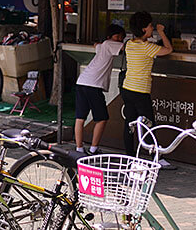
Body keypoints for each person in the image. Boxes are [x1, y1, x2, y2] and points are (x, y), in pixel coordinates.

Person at [121, 11, 173, 168]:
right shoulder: (147, 47)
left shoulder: (129, 44)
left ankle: (130, 158)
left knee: (129, 124)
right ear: (144, 29)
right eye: (150, 26)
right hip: (140, 91)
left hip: (127, 88)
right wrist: (162, 32)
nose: (152, 29)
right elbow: (168, 49)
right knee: (149, 125)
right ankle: (156, 158)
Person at [74, 24, 126, 154]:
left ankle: (79, 149)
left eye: (121, 37)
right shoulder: (110, 44)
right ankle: (93, 148)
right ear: (109, 37)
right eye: (117, 36)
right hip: (93, 85)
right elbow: (127, 48)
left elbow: (96, 46)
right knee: (101, 118)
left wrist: (97, 44)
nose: (119, 39)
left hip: (82, 82)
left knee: (80, 118)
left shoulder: (102, 45)